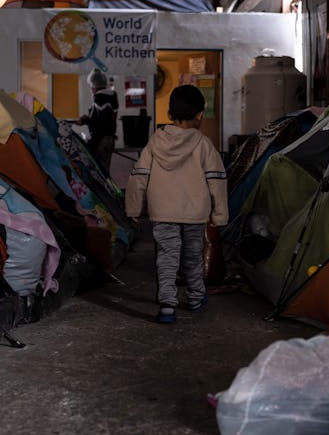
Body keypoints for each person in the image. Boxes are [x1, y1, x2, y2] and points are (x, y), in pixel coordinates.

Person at [125, 85, 228, 324]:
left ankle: (167, 306)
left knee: (167, 257)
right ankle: (195, 298)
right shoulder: (204, 144)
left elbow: (139, 176)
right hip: (195, 212)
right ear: (200, 114)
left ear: (170, 114)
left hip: (163, 211)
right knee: (193, 255)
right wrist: (219, 214)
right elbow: (217, 181)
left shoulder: (154, 142)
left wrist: (134, 209)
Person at [79, 68, 118, 175]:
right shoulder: (110, 97)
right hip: (108, 139)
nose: (91, 90)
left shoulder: (100, 98)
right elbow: (101, 118)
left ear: (94, 86)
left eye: (91, 87)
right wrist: (87, 120)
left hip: (101, 140)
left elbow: (100, 123)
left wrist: (86, 121)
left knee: (99, 174)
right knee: (104, 171)